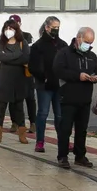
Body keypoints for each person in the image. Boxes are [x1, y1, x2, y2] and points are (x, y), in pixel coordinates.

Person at [52, 26, 97, 168]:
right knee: (65, 128)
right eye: (86, 41)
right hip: (68, 97)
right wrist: (77, 76)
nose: (88, 45)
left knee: (82, 129)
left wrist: (96, 77)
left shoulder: (91, 56)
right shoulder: (64, 53)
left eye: (91, 43)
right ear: (78, 38)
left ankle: (80, 155)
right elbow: (58, 70)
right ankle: (62, 156)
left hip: (85, 98)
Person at [0, 17, 33, 143]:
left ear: (16, 30)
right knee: (1, 107)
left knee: (19, 108)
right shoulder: (0, 43)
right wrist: (16, 56)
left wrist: (10, 58)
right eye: (7, 28)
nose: (9, 31)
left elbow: (25, 58)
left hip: (19, 80)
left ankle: (22, 133)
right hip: (4, 79)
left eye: (11, 28)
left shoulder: (22, 43)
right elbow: (0, 56)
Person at [28, 16, 66, 153]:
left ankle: (63, 141)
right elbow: (33, 66)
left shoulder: (62, 44)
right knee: (42, 113)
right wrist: (43, 77)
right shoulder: (38, 46)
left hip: (59, 85)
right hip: (44, 85)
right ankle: (39, 141)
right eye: (54, 27)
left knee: (60, 115)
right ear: (47, 27)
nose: (56, 30)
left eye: (58, 27)